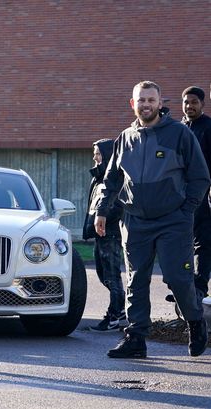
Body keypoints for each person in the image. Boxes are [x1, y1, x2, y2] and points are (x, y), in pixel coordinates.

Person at [95, 81, 210, 358]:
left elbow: (200, 177)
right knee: (136, 280)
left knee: (178, 278)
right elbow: (111, 178)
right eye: (141, 100)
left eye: (151, 100)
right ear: (133, 104)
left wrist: (186, 212)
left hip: (173, 220)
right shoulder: (125, 138)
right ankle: (135, 338)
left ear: (160, 103)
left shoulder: (179, 134)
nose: (146, 105)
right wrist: (101, 210)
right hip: (136, 221)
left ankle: (195, 322)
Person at [82, 138, 125, 332]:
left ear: (108, 154)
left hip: (111, 234)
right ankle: (120, 311)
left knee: (112, 275)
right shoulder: (99, 177)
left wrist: (106, 219)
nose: (94, 157)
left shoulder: (117, 179)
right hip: (100, 233)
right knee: (102, 274)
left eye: (98, 153)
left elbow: (118, 206)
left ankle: (115, 316)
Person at [181, 86, 211, 300]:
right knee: (181, 240)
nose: (189, 106)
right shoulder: (178, 128)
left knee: (203, 241)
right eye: (186, 102)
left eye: (193, 102)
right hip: (179, 195)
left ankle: (199, 287)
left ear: (202, 104)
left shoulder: (208, 127)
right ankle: (183, 285)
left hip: (203, 194)